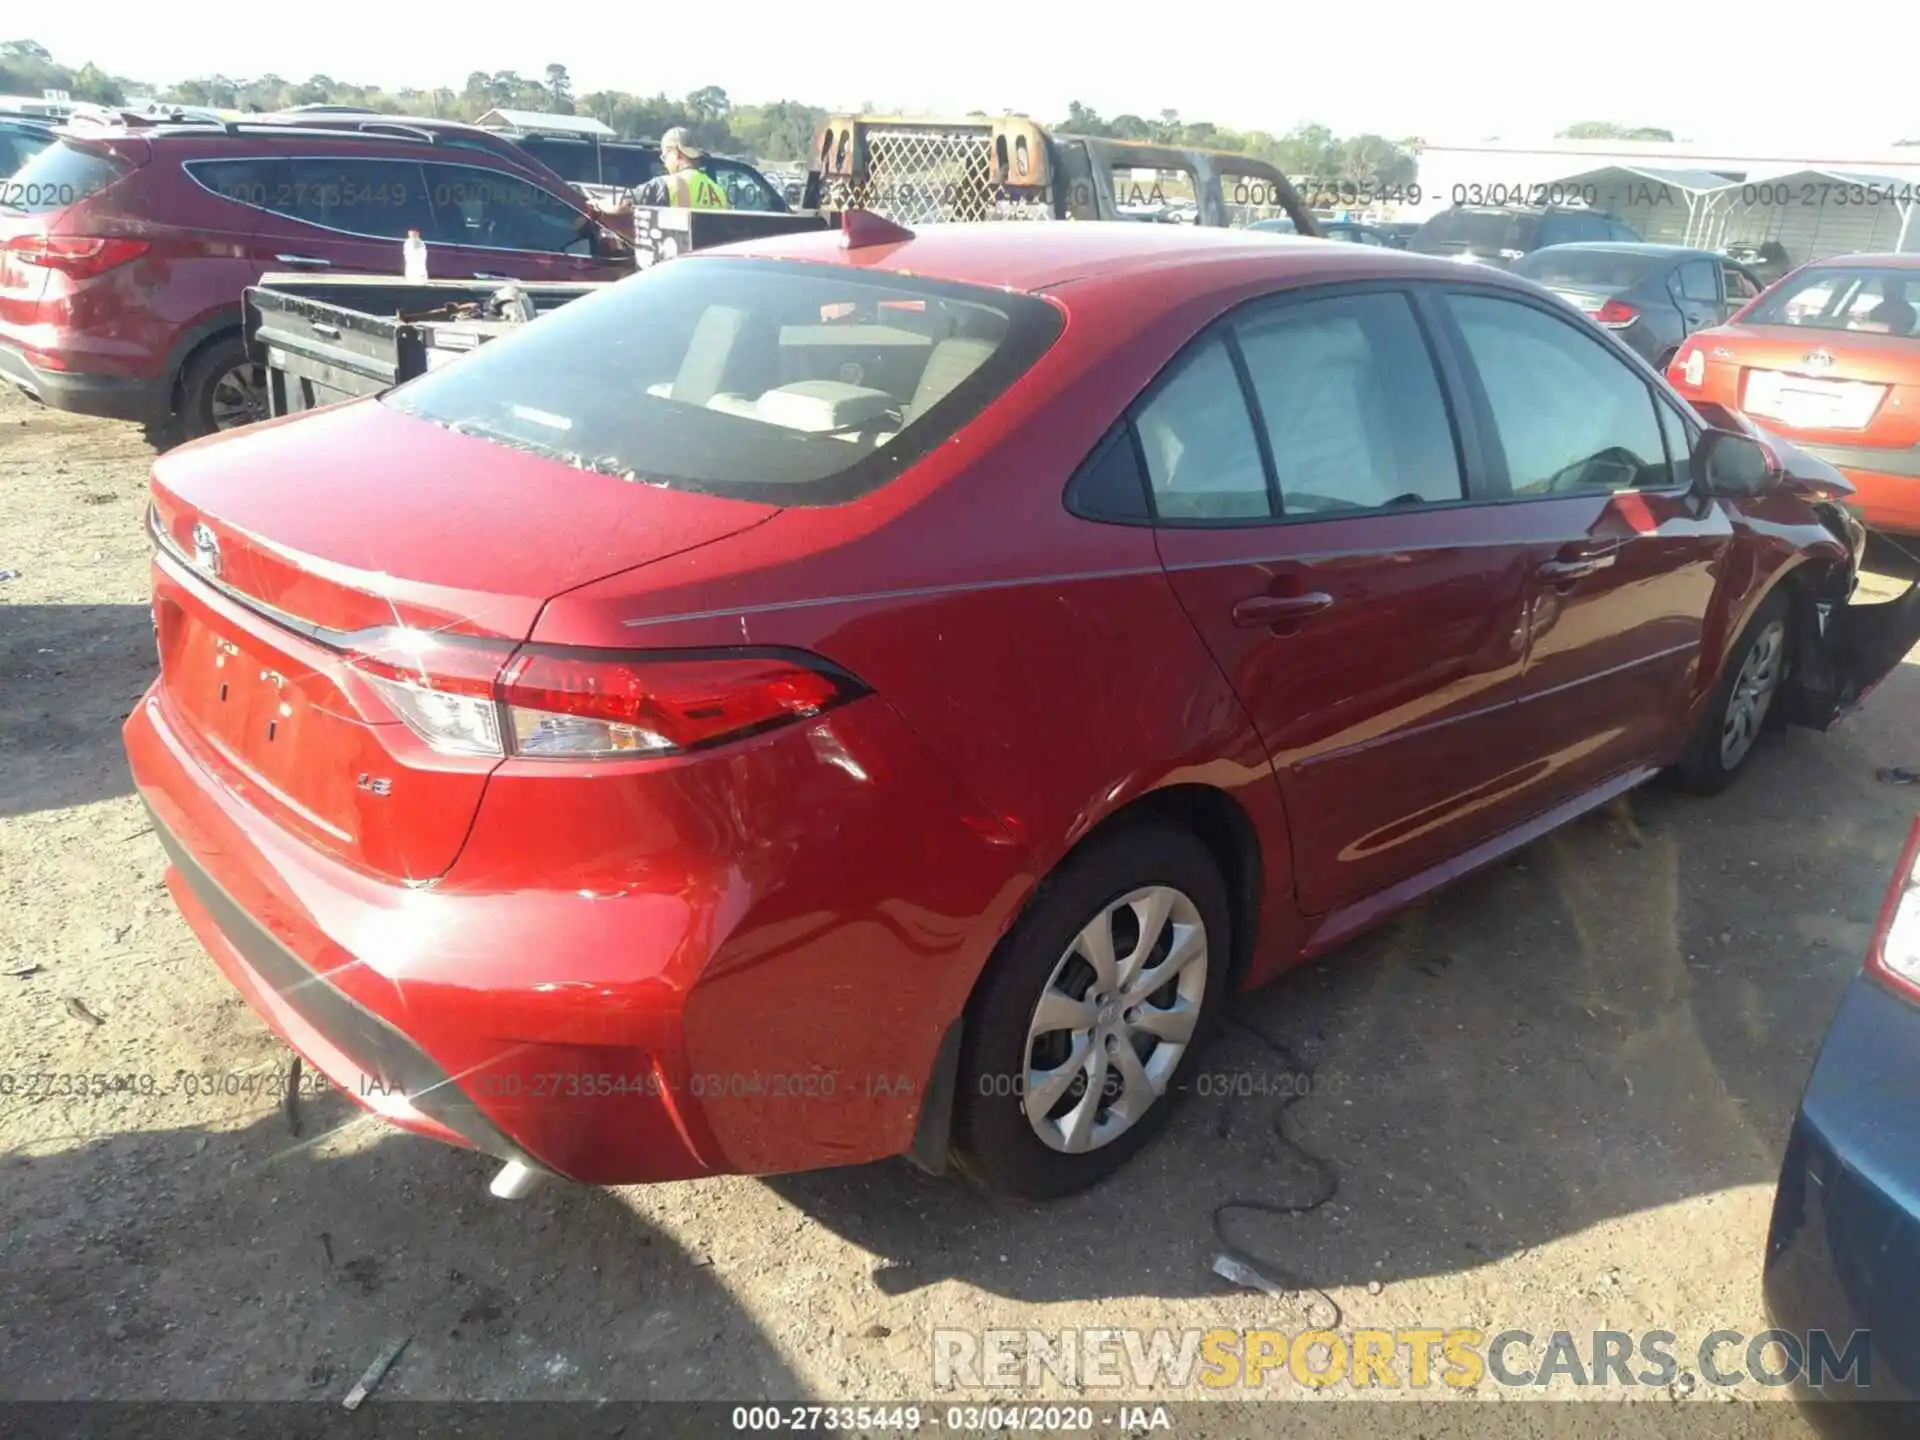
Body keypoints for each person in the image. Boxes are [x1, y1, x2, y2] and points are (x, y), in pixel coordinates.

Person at [631, 128, 730, 210]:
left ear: (678, 153)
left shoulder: (664, 184)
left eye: (665, 157)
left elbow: (622, 204)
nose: (665, 164)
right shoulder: (720, 193)